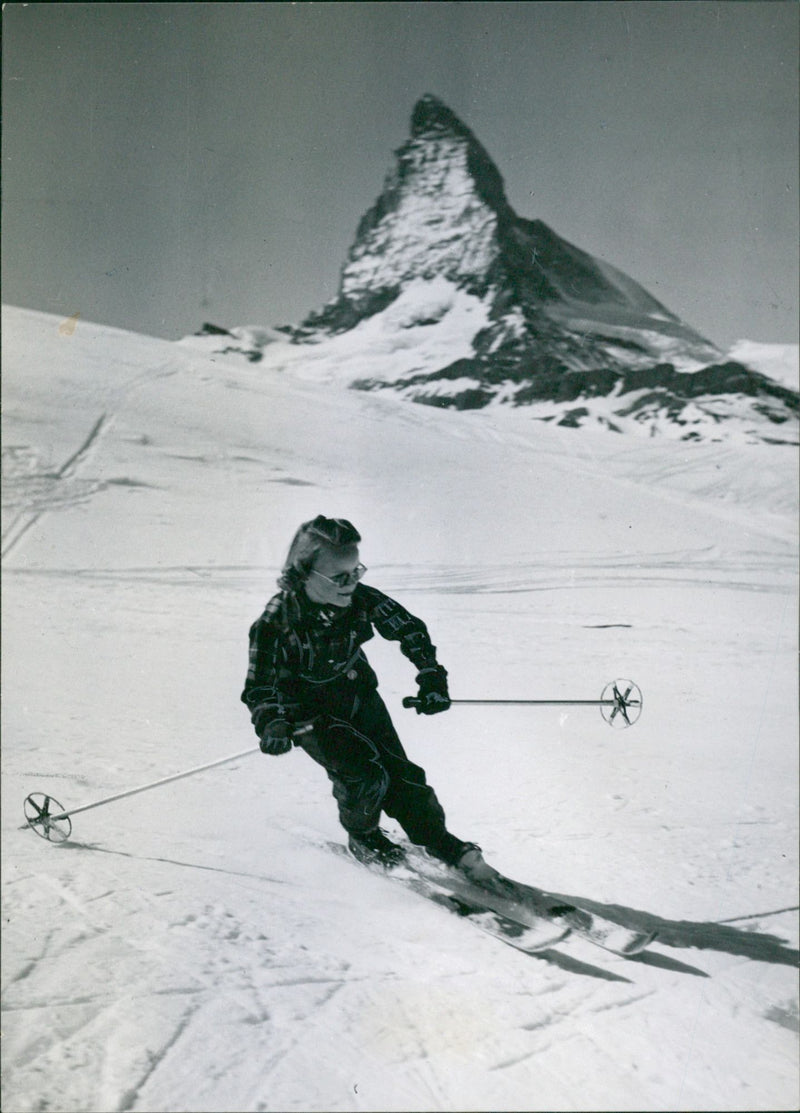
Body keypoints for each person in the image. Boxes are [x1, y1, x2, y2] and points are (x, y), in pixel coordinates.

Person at [241, 515, 495, 880]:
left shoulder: (359, 599)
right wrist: (272, 721)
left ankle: (436, 839)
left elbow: (409, 628)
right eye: (340, 576)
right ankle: (364, 837)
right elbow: (260, 685)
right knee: (364, 775)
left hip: (356, 693)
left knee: (401, 774)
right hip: (308, 713)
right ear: (304, 572)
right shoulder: (275, 622)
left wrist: (431, 677)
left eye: (356, 570)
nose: (352, 582)